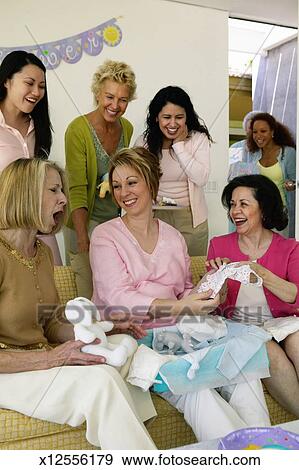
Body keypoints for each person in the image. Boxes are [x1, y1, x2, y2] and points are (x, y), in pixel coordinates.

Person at [90, 147, 270, 442]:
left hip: (184, 331)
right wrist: (183, 306)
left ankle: (267, 452)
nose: (124, 192)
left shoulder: (173, 237)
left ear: (151, 183)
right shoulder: (105, 235)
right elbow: (118, 299)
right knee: (197, 389)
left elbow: (186, 291)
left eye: (132, 182)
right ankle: (240, 456)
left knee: (245, 373)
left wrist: (214, 286)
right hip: (137, 336)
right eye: (118, 185)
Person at [0, 158, 157, 450]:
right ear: (25, 193)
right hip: (8, 373)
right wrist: (50, 359)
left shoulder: (42, 253)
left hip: (38, 358)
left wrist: (99, 329)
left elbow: (50, 323)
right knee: (100, 381)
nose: (63, 199)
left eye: (62, 191)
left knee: (125, 347)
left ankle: (132, 445)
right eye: (53, 190)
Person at [207, 174, 299, 418]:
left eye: (244, 204)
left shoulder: (289, 248)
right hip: (240, 325)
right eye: (233, 204)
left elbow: (294, 295)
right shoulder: (219, 245)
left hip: (281, 323)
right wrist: (220, 279)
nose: (235, 211)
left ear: (264, 209)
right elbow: (211, 304)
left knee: (298, 342)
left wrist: (260, 273)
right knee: (268, 351)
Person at [64, 60, 136, 297]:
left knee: (111, 292)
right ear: (97, 93)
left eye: (123, 99)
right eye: (109, 97)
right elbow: (76, 187)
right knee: (86, 292)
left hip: (113, 223)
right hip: (83, 221)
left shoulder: (126, 128)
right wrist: (83, 237)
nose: (115, 105)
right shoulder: (77, 130)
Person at [0, 50, 62, 264]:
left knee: (54, 288)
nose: (36, 92)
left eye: (42, 86)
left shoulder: (39, 127)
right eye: (29, 83)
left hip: (39, 229)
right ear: (7, 81)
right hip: (4, 233)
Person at [135, 86, 212, 256]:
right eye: (166, 117)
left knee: (192, 272)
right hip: (155, 215)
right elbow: (135, 180)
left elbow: (201, 179)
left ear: (187, 117)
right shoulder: (143, 142)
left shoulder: (198, 139)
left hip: (190, 218)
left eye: (179, 117)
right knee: (160, 272)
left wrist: (179, 146)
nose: (172, 123)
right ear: (156, 118)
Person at [230, 112, 296, 237]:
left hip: (280, 213)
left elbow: (295, 183)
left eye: (263, 131)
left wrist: (291, 185)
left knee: (279, 250)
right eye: (255, 132)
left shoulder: (288, 153)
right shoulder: (252, 154)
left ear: (272, 132)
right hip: (257, 213)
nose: (258, 136)